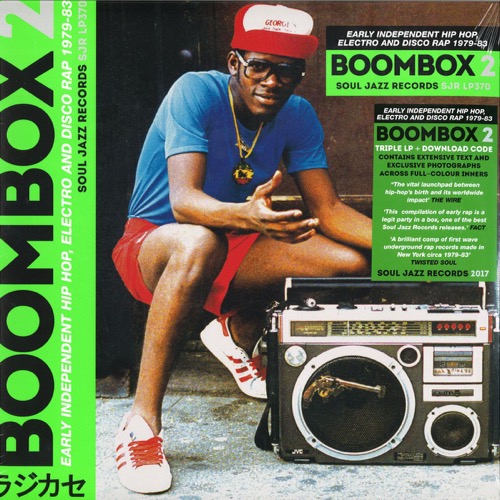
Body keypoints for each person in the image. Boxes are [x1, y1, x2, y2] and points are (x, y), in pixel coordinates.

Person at [112, 3, 372, 494]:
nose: (272, 81)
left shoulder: (298, 114)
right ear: (235, 62)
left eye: (287, 71)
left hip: (233, 239)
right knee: (199, 241)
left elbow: (331, 210)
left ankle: (236, 332)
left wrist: (414, 247)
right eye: (259, 66)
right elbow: (184, 203)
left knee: (347, 261)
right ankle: (140, 426)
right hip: (157, 243)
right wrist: (247, 217)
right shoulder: (195, 91)